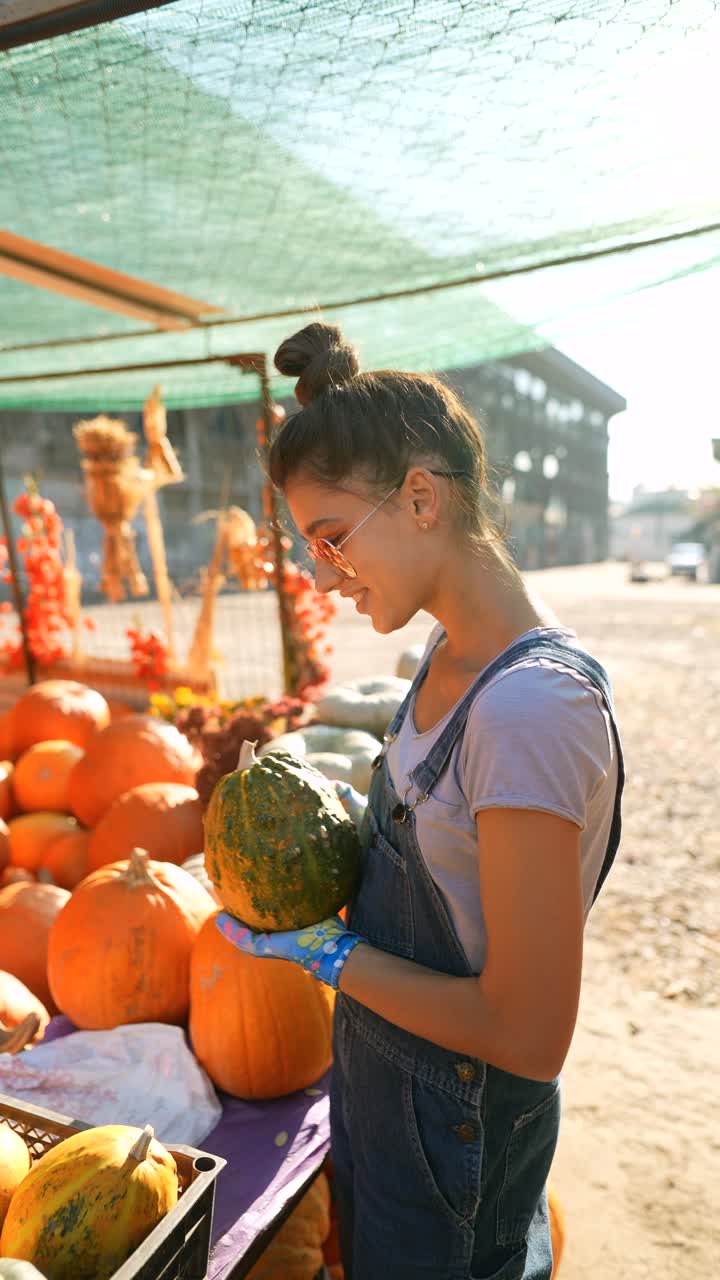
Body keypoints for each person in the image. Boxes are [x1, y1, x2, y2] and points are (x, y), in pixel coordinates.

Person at [217, 322, 624, 1280]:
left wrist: (331, 954)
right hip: (385, 1102)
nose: (323, 572)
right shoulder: (446, 653)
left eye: (330, 537)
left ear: (422, 497)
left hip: (459, 1143)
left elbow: (528, 1032)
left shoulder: (529, 707)